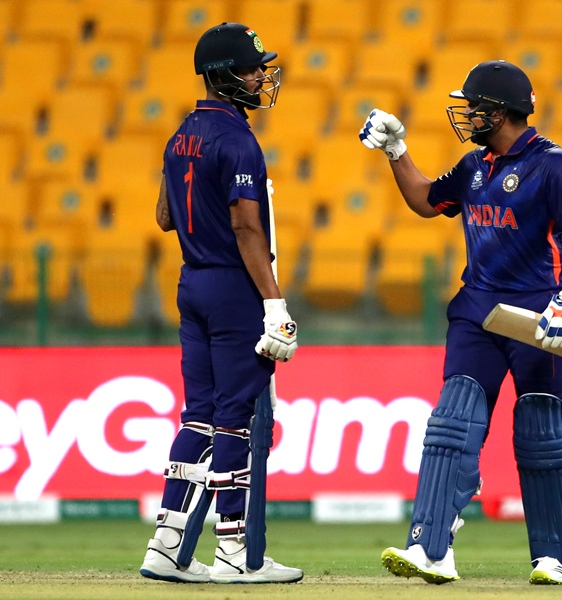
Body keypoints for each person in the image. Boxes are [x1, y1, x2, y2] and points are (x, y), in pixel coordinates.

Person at [359, 60, 562, 585]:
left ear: (500, 112)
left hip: (537, 316)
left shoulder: (554, 166)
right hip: (477, 310)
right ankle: (431, 547)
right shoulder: (474, 165)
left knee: (540, 431)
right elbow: (426, 201)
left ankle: (552, 557)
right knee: (452, 422)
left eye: (474, 107)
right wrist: (396, 152)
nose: (467, 115)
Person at [139, 22, 302, 585]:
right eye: (253, 67)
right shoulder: (237, 140)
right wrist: (275, 303)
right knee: (232, 422)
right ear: (223, 75)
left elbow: (163, 218)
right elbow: (246, 226)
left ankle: (165, 544)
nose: (262, 75)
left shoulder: (180, 133)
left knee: (199, 416)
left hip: (190, 283)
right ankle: (233, 555)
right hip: (234, 288)